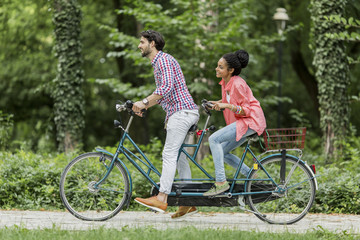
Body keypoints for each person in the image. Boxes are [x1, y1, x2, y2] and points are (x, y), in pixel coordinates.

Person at [132, 30, 199, 218]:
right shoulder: (160, 63)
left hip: (182, 112)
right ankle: (188, 201)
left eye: (142, 42)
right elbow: (164, 94)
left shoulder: (163, 60)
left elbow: (166, 87)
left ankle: (161, 198)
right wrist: (146, 107)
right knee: (179, 157)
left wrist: (144, 102)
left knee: (168, 154)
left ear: (152, 43)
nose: (139, 45)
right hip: (181, 112)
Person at [203, 50, 266, 196]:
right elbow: (228, 102)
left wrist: (227, 106)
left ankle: (220, 182)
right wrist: (216, 103)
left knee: (214, 139)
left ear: (230, 70)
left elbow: (247, 109)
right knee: (223, 152)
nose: (216, 69)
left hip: (251, 121)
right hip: (244, 122)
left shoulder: (237, 84)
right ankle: (251, 174)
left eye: (220, 67)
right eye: (217, 66)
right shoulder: (226, 82)